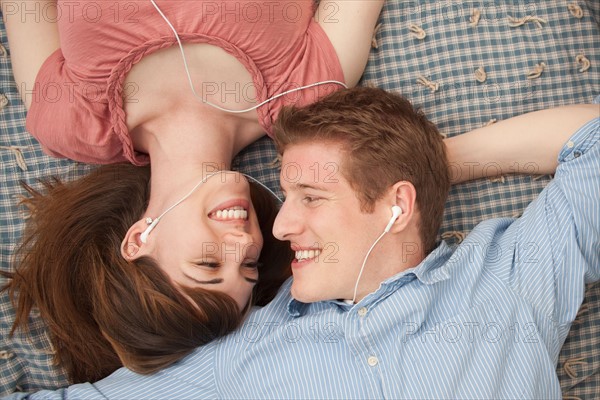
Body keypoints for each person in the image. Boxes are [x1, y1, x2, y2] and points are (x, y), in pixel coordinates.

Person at [7, 86, 598, 399]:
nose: (279, 229)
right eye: (286, 200)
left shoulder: (509, 280)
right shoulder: (235, 357)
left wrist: (423, 168)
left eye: (310, 198)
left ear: (397, 205)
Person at [0, 0, 385, 385]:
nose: (243, 243)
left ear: (138, 240)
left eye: (208, 264)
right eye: (249, 265)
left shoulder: (69, 121)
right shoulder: (309, 89)